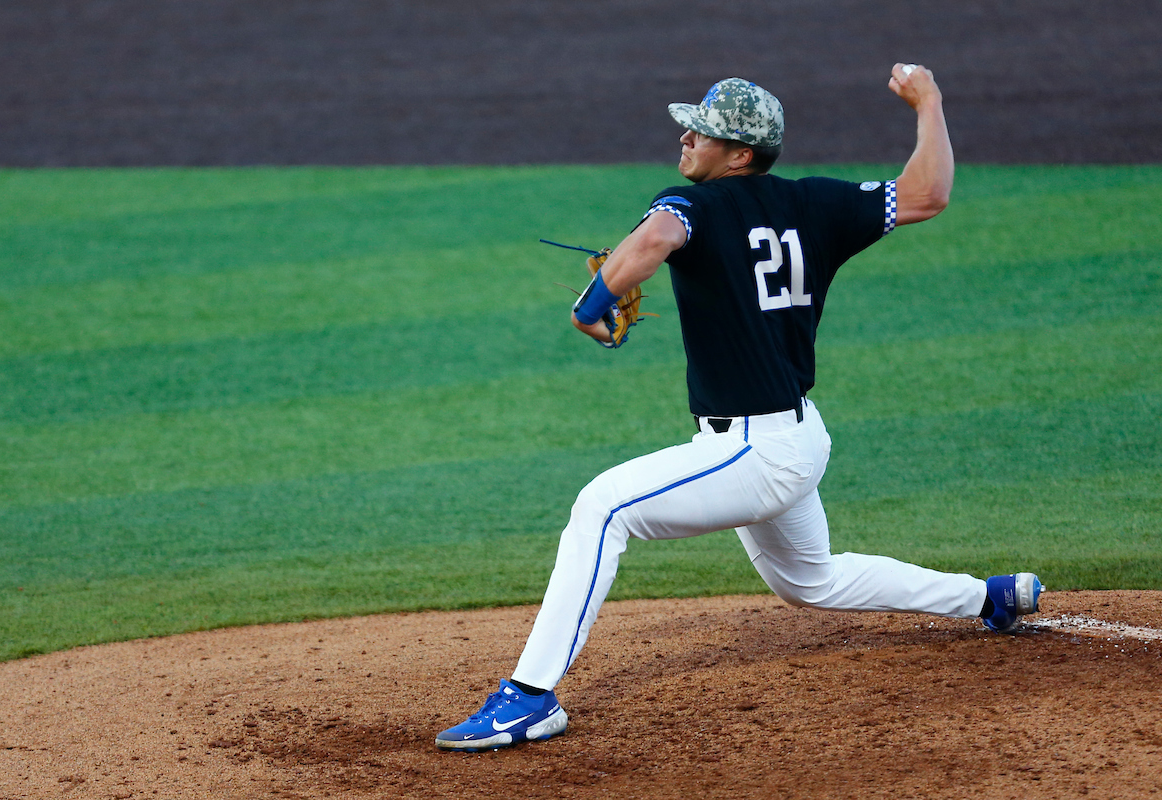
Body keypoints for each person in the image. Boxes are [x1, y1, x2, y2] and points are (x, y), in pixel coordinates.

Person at [435, 65, 1043, 753]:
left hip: (752, 452)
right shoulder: (817, 205)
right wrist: (928, 102)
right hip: (798, 438)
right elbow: (927, 193)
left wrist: (593, 302)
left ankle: (528, 699)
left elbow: (657, 239)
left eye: (706, 132)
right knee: (811, 581)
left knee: (602, 509)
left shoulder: (692, 206)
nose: (687, 136)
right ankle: (988, 598)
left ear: (741, 154)